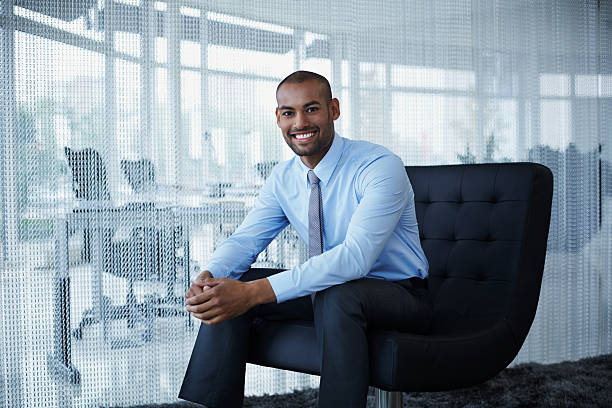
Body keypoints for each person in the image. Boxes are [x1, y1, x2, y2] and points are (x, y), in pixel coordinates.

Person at [179, 71, 431, 408]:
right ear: (279, 118)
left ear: (334, 110)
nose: (300, 122)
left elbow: (355, 258)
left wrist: (253, 294)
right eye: (289, 113)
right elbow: (245, 240)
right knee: (229, 283)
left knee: (337, 293)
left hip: (400, 294)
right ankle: (208, 404)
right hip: (327, 292)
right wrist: (207, 277)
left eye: (311, 109)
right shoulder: (284, 178)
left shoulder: (379, 166)